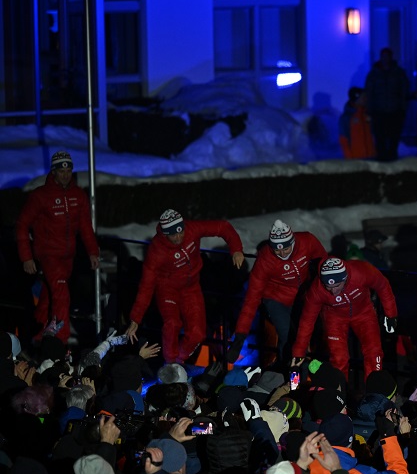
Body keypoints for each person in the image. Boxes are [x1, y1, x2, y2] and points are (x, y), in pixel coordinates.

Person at [127, 209, 245, 364]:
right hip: (167, 289)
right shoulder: (157, 251)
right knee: (172, 324)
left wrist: (236, 248)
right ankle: (170, 364)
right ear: (164, 234)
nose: (178, 237)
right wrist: (136, 318)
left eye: (180, 232)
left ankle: (179, 361)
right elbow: (146, 286)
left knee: (198, 333)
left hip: (191, 287)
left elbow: (222, 227)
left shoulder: (192, 229)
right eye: (173, 235)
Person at [16, 151, 100, 344]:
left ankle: (37, 332)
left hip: (68, 256)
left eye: (68, 170)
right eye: (61, 170)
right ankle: (60, 342)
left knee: (49, 296)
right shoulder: (41, 196)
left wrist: (93, 251)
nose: (65, 174)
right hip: (48, 255)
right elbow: (22, 224)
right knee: (61, 295)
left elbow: (86, 226)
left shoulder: (78, 195)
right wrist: (26, 257)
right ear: (53, 171)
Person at [228, 220, 327, 365]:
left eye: (286, 249)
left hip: (302, 296)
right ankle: (291, 377)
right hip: (275, 299)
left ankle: (307, 375)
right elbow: (251, 299)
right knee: (288, 337)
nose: (281, 253)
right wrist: (240, 336)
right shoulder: (265, 259)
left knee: (308, 336)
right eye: (277, 250)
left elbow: (324, 266)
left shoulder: (308, 241)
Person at [291, 257, 398, 380]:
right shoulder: (317, 290)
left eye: (337, 285)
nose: (333, 291)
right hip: (334, 318)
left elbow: (383, 285)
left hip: (364, 313)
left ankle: (374, 390)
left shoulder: (361, 271)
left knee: (374, 353)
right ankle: (340, 391)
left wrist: (391, 315)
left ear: (345, 278)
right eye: (328, 286)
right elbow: (307, 322)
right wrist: (298, 353)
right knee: (338, 358)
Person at [364, 47, 409, 162]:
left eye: (387, 56)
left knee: (394, 136)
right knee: (380, 137)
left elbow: (404, 91)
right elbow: (369, 92)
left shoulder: (399, 73)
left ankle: (392, 156)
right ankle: (382, 157)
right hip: (379, 111)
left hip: (395, 110)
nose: (385, 59)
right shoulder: (374, 74)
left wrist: (403, 108)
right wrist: (369, 109)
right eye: (383, 56)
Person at [338, 87, 376, 159]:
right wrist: (349, 157)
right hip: (356, 159)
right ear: (356, 98)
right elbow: (343, 139)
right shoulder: (346, 118)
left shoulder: (369, 114)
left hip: (372, 157)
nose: (366, 99)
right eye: (363, 97)